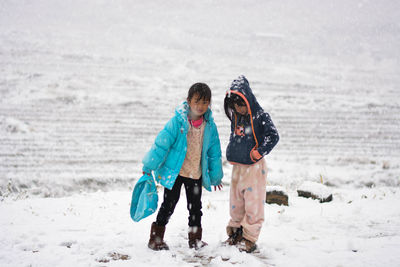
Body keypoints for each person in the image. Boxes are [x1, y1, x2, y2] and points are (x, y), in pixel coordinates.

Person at [142, 83, 223, 251]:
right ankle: (156, 238)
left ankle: (195, 240)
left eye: (205, 102)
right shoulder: (178, 122)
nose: (200, 106)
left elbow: (214, 152)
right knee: (168, 205)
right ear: (188, 101)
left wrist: (215, 176)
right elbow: (161, 145)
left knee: (195, 208)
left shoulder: (209, 126)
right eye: (197, 102)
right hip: (176, 173)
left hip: (195, 173)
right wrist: (149, 165)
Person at [223, 75, 279, 253]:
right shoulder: (237, 117)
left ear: (248, 99)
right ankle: (236, 232)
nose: (238, 109)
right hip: (238, 166)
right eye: (234, 106)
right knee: (236, 202)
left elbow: (273, 136)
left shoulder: (261, 116)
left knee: (253, 205)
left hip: (254, 168)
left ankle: (250, 237)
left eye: (240, 104)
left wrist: (259, 151)